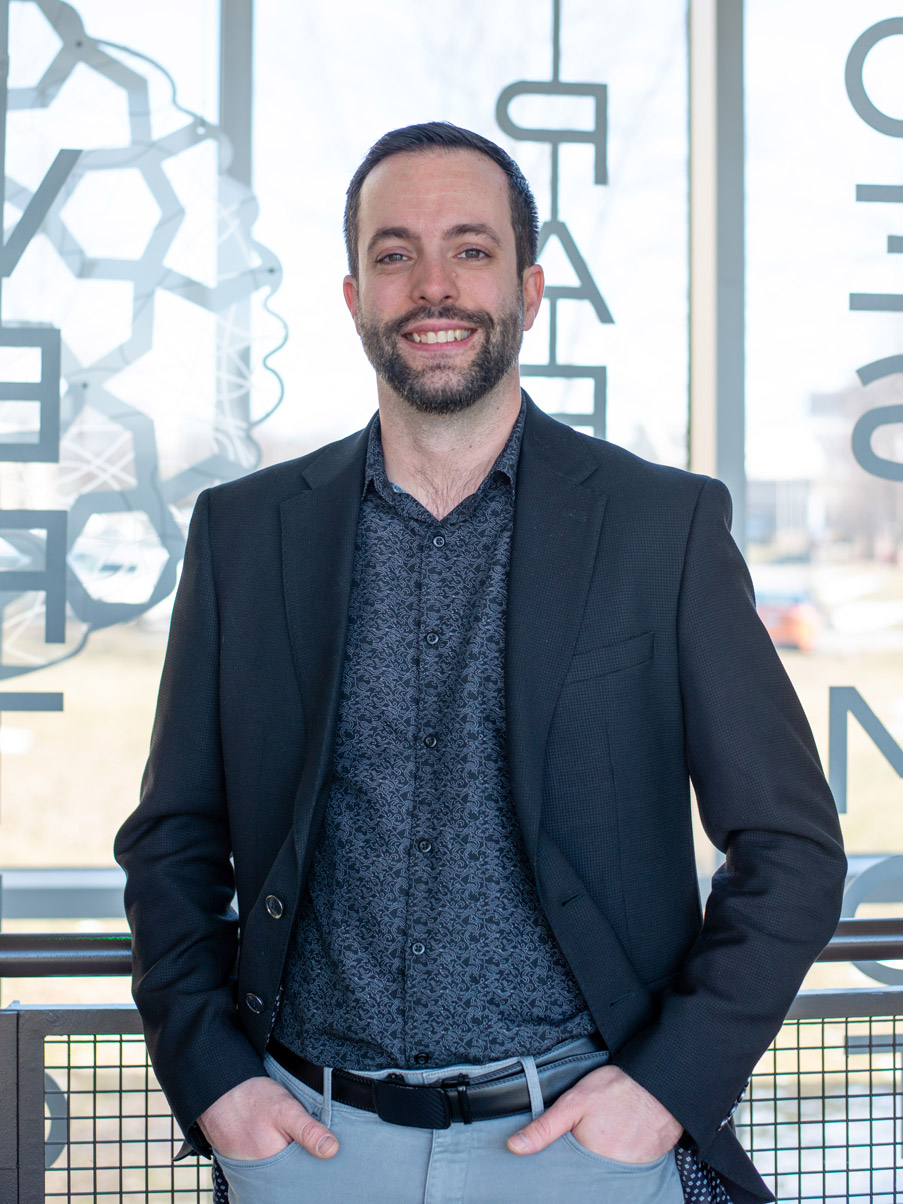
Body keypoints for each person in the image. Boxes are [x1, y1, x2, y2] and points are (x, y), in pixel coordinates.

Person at [114, 122, 846, 1204]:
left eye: (471, 248)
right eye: (395, 253)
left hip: (584, 1145)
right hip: (306, 1146)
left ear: (529, 289)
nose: (434, 285)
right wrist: (215, 1080)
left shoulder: (661, 528)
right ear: (353, 296)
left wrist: (665, 1090)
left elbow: (790, 848)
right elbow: (173, 837)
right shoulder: (245, 533)